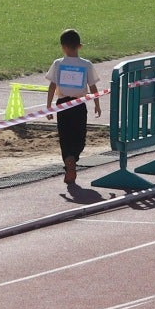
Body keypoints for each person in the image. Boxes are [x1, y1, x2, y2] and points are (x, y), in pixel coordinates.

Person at [44, 30, 101, 190]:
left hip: (62, 105)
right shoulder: (86, 64)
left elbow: (52, 85)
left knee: (65, 136)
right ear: (80, 46)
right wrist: (97, 103)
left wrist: (49, 106)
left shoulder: (58, 64)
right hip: (79, 104)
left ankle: (68, 159)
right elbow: (93, 86)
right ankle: (73, 158)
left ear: (63, 47)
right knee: (79, 136)